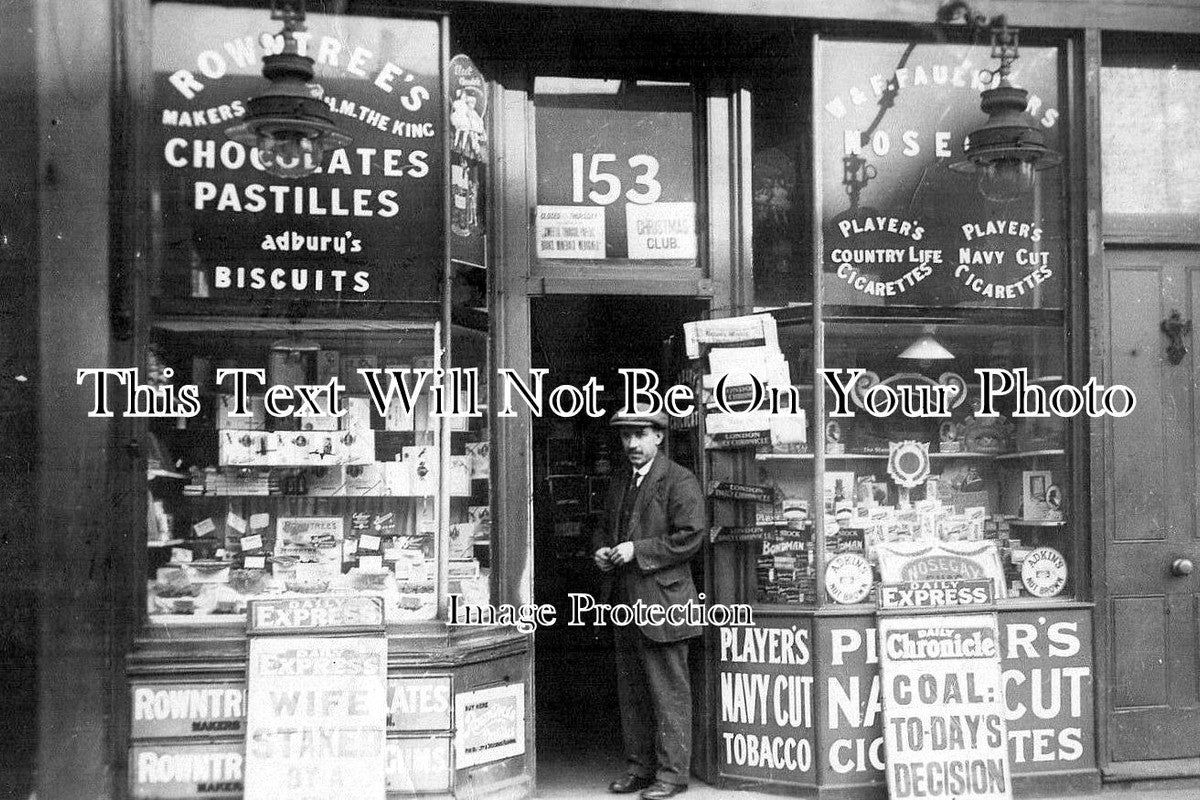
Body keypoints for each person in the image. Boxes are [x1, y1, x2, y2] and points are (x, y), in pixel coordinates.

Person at [593, 407, 706, 799]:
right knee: (634, 692)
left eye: (640, 435)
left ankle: (672, 776)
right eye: (626, 436)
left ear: (660, 436)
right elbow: (604, 529)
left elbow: (691, 537)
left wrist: (635, 550)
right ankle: (640, 769)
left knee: (669, 693)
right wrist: (601, 551)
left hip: (666, 603)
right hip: (626, 603)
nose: (632, 444)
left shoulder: (680, 480)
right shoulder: (621, 480)